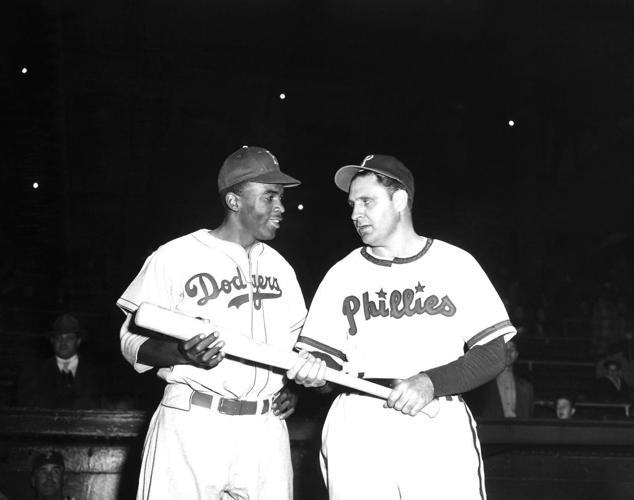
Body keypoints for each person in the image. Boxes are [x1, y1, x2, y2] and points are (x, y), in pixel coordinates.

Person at [288, 154, 517, 499]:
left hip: (435, 415)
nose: (355, 214)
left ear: (400, 199)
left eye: (367, 201)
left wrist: (431, 381)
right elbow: (326, 368)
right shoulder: (342, 273)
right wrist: (315, 376)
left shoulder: (455, 263)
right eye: (352, 204)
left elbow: (495, 352)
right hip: (358, 419)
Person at [117, 146, 306, 499]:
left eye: (280, 197)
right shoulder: (175, 256)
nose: (281, 207)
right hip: (194, 419)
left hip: (264, 428)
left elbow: (297, 349)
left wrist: (290, 387)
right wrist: (181, 353)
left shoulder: (282, 269)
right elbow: (130, 340)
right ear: (234, 201)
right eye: (270, 197)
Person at [17, 314, 101, 409]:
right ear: (52, 341)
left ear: (78, 341)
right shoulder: (36, 373)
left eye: (69, 338)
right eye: (58, 338)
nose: (63, 343)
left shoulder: (96, 373)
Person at [467, 338, 534, 419]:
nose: (508, 353)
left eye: (511, 349)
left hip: (519, 430)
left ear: (516, 354)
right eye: (504, 349)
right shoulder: (483, 385)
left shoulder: (526, 387)